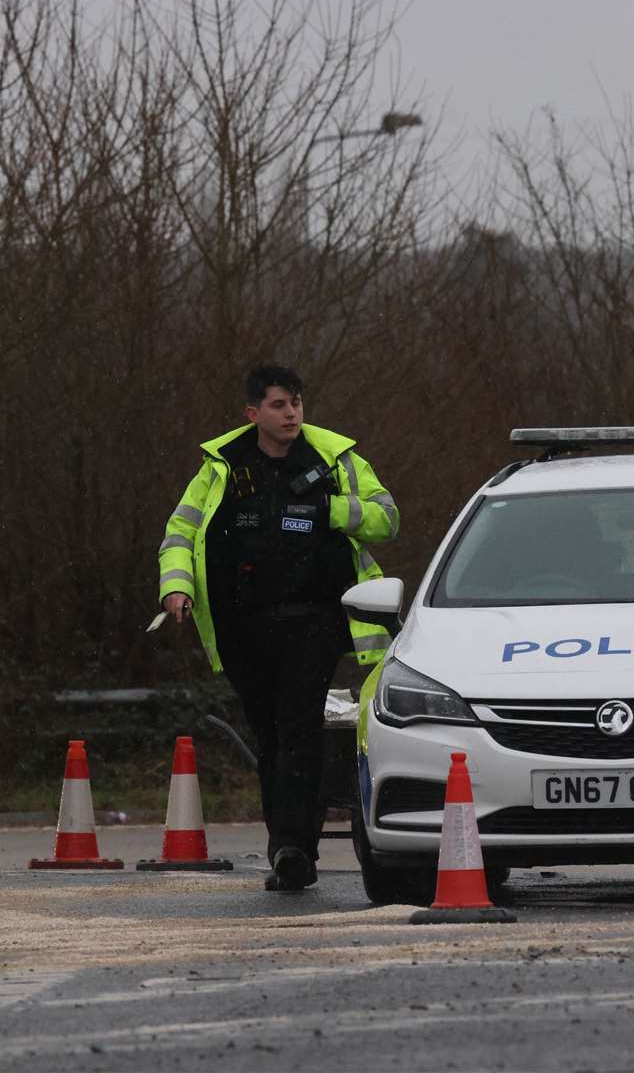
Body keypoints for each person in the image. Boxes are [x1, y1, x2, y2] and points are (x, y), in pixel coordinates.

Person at [158, 365, 398, 891]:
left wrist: (331, 509)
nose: (291, 414)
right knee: (271, 737)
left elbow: (386, 517)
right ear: (252, 413)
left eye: (296, 404)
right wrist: (176, 588)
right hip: (242, 627)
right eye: (279, 405)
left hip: (315, 620)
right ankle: (284, 846)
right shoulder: (222, 467)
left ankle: (295, 849)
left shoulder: (333, 459)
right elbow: (180, 532)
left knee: (298, 729)